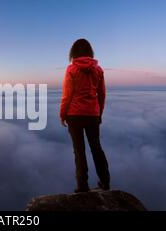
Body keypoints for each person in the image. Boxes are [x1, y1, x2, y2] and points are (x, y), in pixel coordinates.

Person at [60, 38, 110, 193]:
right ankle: (105, 182)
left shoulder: (71, 69)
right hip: (92, 115)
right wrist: (99, 113)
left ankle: (82, 186)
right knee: (96, 148)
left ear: (74, 52)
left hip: (74, 115)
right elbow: (101, 94)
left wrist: (62, 114)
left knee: (79, 151)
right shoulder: (98, 70)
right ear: (90, 52)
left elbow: (67, 95)